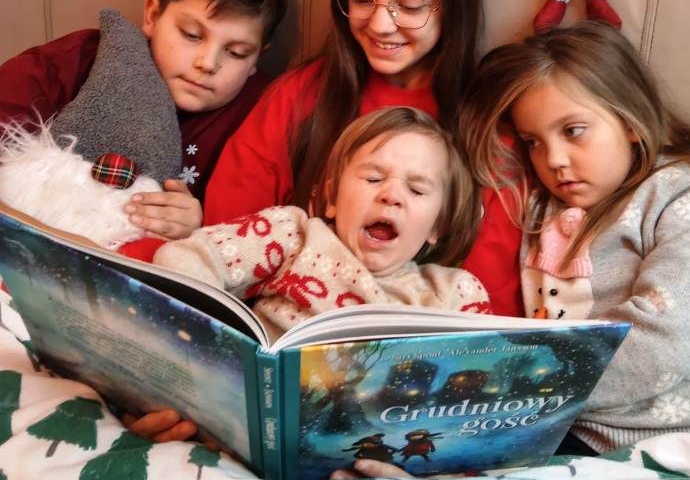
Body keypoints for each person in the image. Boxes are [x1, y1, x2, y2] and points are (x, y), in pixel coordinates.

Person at [457, 21, 690, 473]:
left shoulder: (686, 194)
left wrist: (514, 389)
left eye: (574, 131)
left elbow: (660, 345)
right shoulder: (540, 207)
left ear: (629, 122)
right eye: (533, 142)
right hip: (571, 437)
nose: (553, 160)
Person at [202, 0, 523, 316]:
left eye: (409, 6)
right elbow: (221, 245)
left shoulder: (490, 133)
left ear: (454, 7)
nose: (380, 24)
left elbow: (489, 316)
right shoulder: (299, 96)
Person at [0, 0, 285, 241]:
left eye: (237, 52)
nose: (207, 63)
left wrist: (198, 227)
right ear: (152, 16)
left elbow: (250, 232)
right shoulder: (82, 57)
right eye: (191, 35)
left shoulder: (258, 113)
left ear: (257, 58)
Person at [153, 107, 489, 343]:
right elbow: (182, 259)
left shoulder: (451, 294)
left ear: (437, 226)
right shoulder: (293, 235)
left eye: (416, 190)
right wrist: (218, 344)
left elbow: (486, 375)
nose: (391, 195)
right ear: (332, 197)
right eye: (373, 178)